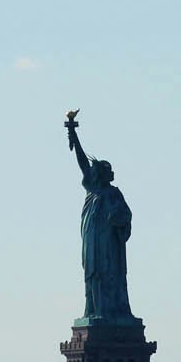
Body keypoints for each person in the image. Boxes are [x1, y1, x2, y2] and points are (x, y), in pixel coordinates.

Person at [67, 116, 135, 320]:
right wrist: (73, 134)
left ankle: (111, 311)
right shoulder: (92, 189)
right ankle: (93, 310)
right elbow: (82, 163)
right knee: (92, 274)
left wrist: (117, 217)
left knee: (109, 274)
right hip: (92, 241)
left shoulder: (114, 194)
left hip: (109, 245)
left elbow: (126, 215)